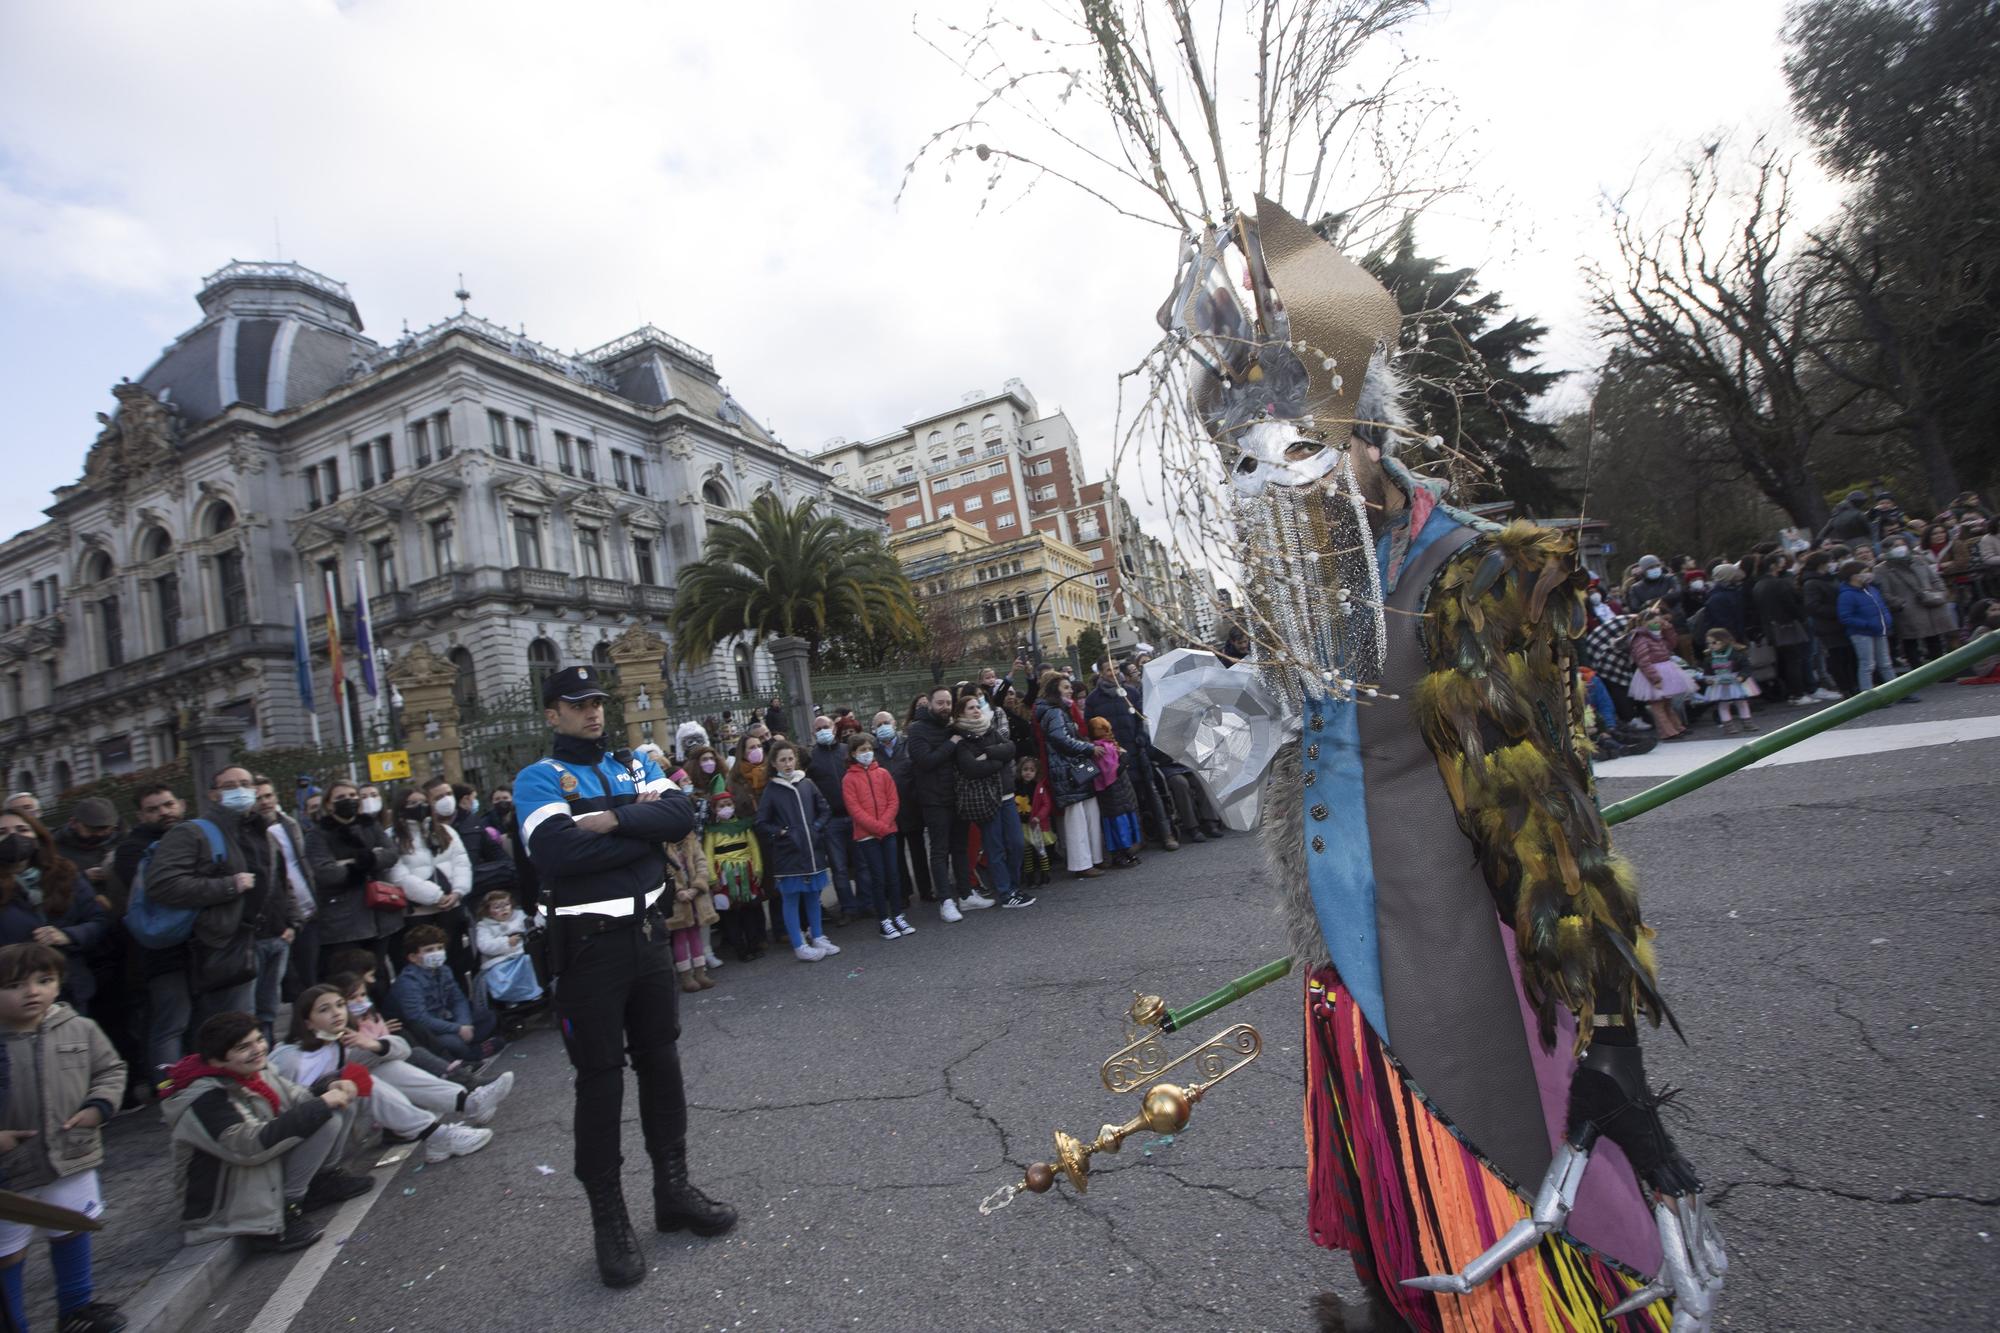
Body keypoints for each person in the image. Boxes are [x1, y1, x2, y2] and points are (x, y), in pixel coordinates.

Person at [511, 664, 733, 1288]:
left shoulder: (631, 765)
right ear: (552, 713)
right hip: (587, 953)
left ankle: (673, 1191)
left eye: (597, 702)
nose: (592, 712)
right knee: (600, 1083)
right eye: (577, 704)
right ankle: (610, 1221)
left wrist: (610, 820)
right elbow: (556, 851)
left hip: (647, 939)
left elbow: (683, 816)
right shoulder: (539, 778)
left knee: (661, 1063)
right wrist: (642, 831)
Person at [0, 943, 128, 1333]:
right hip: (10, 1172)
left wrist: (99, 1106)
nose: (32, 992)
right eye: (15, 985)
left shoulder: (79, 1027)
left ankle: (75, 1308)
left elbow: (111, 1069)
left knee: (72, 1226)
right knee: (7, 1250)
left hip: (73, 1154)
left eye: (44, 981)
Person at [161, 1011, 365, 1254]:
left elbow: (299, 1097)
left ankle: (321, 1181)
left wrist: (332, 1087)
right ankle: (281, 1213)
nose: (257, 1049)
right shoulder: (205, 1098)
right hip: (220, 1202)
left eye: (258, 1040)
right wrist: (321, 1104)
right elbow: (249, 1146)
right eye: (243, 1047)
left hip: (251, 1168)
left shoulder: (254, 1070)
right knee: (323, 1114)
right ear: (216, 1060)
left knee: (339, 1106)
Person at [270, 985, 501, 1165]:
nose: (336, 1013)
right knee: (360, 1079)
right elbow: (283, 1105)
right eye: (324, 1009)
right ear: (307, 1023)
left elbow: (403, 1050)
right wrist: (329, 1089)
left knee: (383, 1067)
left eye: (340, 1005)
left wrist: (372, 1044)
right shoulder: (289, 1056)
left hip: (343, 1123)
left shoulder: (339, 1041)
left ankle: (468, 1102)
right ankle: (439, 1135)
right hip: (308, 1141)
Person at [145, 767, 277, 1060]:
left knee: (250, 1025)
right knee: (226, 1031)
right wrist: (229, 886)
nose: (240, 790)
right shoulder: (193, 832)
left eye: (246, 783)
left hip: (253, 940)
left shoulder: (259, 828)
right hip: (217, 945)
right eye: (230, 786)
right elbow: (163, 884)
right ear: (213, 794)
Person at [0, 810, 109, 1015]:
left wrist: (68, 935)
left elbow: (98, 920)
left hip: (69, 990)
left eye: (22, 829)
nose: (13, 837)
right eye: (2, 832)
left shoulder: (66, 874)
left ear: (37, 836)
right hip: (11, 997)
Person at [302, 779, 403, 985]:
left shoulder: (370, 825)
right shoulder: (318, 834)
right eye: (340, 797)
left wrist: (351, 862)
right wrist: (366, 860)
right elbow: (326, 872)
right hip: (343, 921)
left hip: (380, 914)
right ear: (329, 804)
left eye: (352, 796)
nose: (348, 801)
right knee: (350, 979)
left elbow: (391, 854)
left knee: (378, 975)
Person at [754, 739, 840, 961]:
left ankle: (818, 936)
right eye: (782, 760)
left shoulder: (807, 783)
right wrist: (783, 833)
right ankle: (798, 944)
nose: (788, 764)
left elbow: (824, 809)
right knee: (791, 900)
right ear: (774, 763)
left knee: (813, 896)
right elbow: (762, 823)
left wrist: (816, 828)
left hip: (812, 851)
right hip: (788, 855)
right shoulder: (772, 790)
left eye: (790, 759)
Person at [239, 781, 307, 1043]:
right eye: (258, 797)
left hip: (279, 933)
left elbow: (284, 882)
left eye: (269, 795)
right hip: (252, 937)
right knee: (249, 1009)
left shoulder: (275, 833)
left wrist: (293, 922)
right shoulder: (237, 839)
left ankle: (268, 1054)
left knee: (270, 1006)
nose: (265, 802)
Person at [951, 692, 1031, 909]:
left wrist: (988, 753)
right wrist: (999, 761)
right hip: (987, 800)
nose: (976, 710)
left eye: (978, 706)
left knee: (1015, 843)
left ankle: (1014, 886)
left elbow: (1010, 748)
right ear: (960, 713)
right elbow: (971, 768)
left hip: (1006, 795)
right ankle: (1005, 893)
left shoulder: (989, 729)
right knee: (995, 848)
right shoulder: (960, 738)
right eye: (970, 708)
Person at [1085, 667, 1175, 851]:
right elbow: (1091, 729)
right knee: (1128, 799)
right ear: (1101, 672)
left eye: (1116, 668)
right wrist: (1107, 747)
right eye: (1108, 669)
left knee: (1152, 793)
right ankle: (1137, 838)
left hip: (1137, 750)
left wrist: (1141, 738)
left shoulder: (1131, 692)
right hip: (1115, 756)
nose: (1113, 672)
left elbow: (1143, 718)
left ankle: (1167, 834)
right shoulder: (1093, 700)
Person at [906, 685, 974, 921]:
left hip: (957, 796)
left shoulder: (951, 726)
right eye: (940, 703)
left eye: (948, 703)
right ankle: (946, 901)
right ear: (930, 705)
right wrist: (952, 742)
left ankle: (966, 895)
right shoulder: (916, 731)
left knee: (961, 848)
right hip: (933, 800)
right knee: (939, 850)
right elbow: (926, 761)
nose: (945, 707)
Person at [384, 786, 471, 961]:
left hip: (451, 908)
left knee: (455, 960)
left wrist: (458, 892)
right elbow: (398, 876)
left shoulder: (446, 831)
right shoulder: (392, 837)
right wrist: (435, 896)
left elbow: (461, 863)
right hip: (417, 913)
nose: (419, 806)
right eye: (412, 803)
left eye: (423, 802)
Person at [390, 925, 499, 1062]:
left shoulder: (444, 970)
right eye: (429, 950)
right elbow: (419, 1018)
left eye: (440, 948)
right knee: (453, 1042)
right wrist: (458, 1029)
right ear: (413, 957)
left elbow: (458, 1000)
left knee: (488, 1016)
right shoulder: (408, 982)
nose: (437, 953)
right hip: (426, 1032)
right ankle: (471, 1054)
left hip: (446, 1020)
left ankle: (468, 1048)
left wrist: (464, 1024)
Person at [842, 733, 910, 939]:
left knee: (893, 875)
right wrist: (877, 827)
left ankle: (898, 915)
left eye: (869, 749)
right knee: (878, 877)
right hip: (867, 836)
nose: (867, 753)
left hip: (888, 831)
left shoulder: (883, 773)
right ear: (853, 754)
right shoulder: (849, 779)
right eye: (862, 750)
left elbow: (893, 800)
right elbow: (854, 809)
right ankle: (884, 920)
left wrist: (884, 824)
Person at [1036, 674, 1104, 878]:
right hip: (1067, 771)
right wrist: (1088, 748)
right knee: (1077, 819)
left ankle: (1091, 859)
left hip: (1071, 769)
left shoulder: (1059, 710)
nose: (1070, 690)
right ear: (1056, 690)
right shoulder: (1054, 712)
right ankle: (1081, 863)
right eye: (1066, 687)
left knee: (1086, 814)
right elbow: (1061, 739)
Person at [802, 715, 860, 926]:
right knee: (839, 868)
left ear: (834, 728)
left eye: (826, 726)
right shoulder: (811, 758)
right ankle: (848, 908)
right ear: (813, 733)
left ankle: (866, 902)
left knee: (862, 864)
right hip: (831, 821)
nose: (823, 731)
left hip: (854, 816)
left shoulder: (846, 751)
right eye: (819, 728)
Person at [700, 793, 765, 963]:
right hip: (724, 876)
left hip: (746, 871)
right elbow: (708, 854)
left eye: (728, 804)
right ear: (714, 810)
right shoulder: (712, 831)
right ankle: (741, 949)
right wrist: (712, 879)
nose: (725, 808)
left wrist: (758, 870)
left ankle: (754, 944)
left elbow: (754, 848)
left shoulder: (744, 826)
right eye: (721, 806)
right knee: (731, 914)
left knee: (749, 909)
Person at [881, 704, 933, 904]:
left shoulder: (908, 744)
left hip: (911, 806)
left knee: (919, 851)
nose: (884, 727)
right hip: (889, 813)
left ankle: (926, 890)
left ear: (894, 724)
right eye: (879, 724)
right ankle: (904, 893)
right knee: (897, 857)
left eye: (887, 723)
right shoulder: (874, 751)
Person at [1874, 535, 1954, 666]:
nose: (1900, 548)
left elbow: (1935, 579)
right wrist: (1900, 604)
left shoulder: (1918, 560)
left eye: (1901, 544)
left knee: (1935, 640)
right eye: (1895, 546)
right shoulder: (1881, 569)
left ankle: (1942, 669)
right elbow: (1884, 592)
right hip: (1907, 610)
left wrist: (1941, 592)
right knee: (1910, 643)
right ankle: (1918, 672)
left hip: (1931, 605)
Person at [659, 822, 716, 992]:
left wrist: (697, 886)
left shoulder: (692, 841)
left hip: (695, 897)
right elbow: (663, 871)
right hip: (677, 900)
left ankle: (700, 972)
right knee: (680, 936)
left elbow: (702, 864)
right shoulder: (662, 846)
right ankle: (686, 975)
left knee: (695, 933)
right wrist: (678, 890)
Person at [1626, 609, 1695, 739]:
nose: (1658, 625)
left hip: (1665, 671)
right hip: (1653, 673)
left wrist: (1669, 630)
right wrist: (1655, 679)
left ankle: (1677, 728)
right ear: (1644, 623)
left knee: (1667, 703)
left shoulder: (1656, 636)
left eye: (1659, 622)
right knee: (1658, 706)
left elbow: (1671, 645)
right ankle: (1667, 732)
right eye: (1654, 622)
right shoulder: (1640, 638)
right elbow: (1643, 661)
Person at [1838, 559, 1904, 693]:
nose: (1868, 574)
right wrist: (1868, 624)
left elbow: (1882, 606)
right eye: (1864, 572)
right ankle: (1867, 694)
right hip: (1861, 633)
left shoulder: (1871, 589)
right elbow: (1845, 617)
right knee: (1867, 664)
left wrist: (1887, 620)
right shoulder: (1847, 595)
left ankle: (1897, 691)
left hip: (1879, 630)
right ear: (1854, 576)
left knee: (1885, 663)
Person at [1086, 717, 1144, 868]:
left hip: (1121, 788)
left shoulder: (1108, 745)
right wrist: (1122, 762)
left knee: (1125, 819)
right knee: (1117, 823)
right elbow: (1109, 773)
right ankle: (1120, 854)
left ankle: (1127, 852)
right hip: (1111, 791)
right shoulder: (1100, 748)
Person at [1800, 551, 1859, 698]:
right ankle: (1845, 687)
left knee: (1849, 657)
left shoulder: (1832, 578)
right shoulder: (1811, 583)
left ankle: (1853, 685)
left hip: (1841, 623)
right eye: (1830, 561)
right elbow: (1813, 606)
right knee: (1837, 658)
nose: (1833, 564)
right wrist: (1839, 610)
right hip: (1828, 626)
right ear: (1821, 564)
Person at [471, 890, 545, 1008]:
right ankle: (510, 998)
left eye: (506, 905)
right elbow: (484, 945)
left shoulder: (520, 916)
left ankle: (533, 993)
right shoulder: (484, 926)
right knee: (499, 974)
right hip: (499, 960)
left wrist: (540, 913)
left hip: (521, 954)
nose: (503, 909)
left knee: (530, 963)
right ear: (488, 911)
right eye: (497, 907)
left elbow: (535, 927)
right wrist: (506, 943)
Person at [49, 798, 118, 908]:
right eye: (92, 829)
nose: (99, 834)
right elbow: (50, 886)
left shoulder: (120, 840)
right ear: (73, 823)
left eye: (105, 829)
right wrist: (83, 877)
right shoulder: (55, 848)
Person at [1693, 629, 1760, 736]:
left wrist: (1742, 676)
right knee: (1723, 704)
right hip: (1719, 683)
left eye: (1714, 642)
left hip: (1736, 682)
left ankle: (1747, 723)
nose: (1711, 645)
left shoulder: (1737, 654)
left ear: (1724, 640)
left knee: (1742, 702)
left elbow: (1746, 667)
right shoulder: (1709, 658)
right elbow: (1707, 671)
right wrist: (1707, 679)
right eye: (1709, 643)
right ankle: (1728, 726)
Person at [1014, 756, 1053, 889]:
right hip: (1022, 823)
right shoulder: (1016, 787)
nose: (1028, 773)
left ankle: (1045, 873)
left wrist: (1039, 817)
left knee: (1040, 850)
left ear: (1036, 773)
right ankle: (1029, 875)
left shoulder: (1039, 787)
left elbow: (1046, 805)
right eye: (1025, 769)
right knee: (1027, 851)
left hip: (1036, 824)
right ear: (1020, 771)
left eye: (1031, 770)